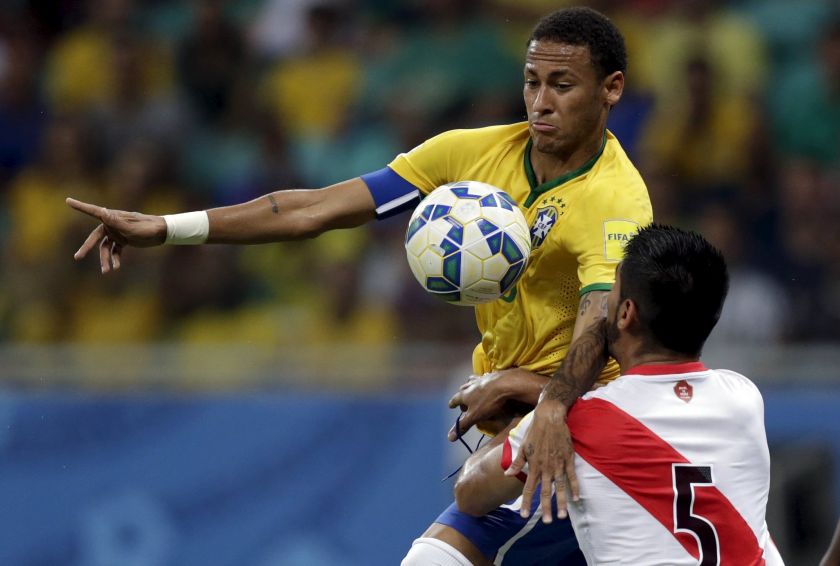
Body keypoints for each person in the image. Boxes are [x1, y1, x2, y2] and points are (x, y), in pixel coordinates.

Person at [67, 7, 652, 565]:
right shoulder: (469, 154)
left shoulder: (615, 196)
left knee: (469, 505)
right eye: (531, 82)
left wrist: (549, 401)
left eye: (562, 85)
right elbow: (312, 210)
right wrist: (168, 228)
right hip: (515, 412)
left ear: (612, 88)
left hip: (583, 421)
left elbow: (600, 317)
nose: (541, 102)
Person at [454, 224, 785, 564]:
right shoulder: (744, 399)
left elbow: (470, 493)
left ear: (626, 313)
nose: (601, 304)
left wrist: (532, 402)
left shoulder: (577, 421)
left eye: (611, 288)